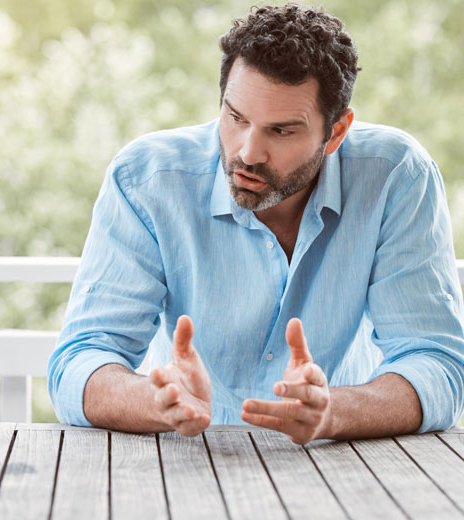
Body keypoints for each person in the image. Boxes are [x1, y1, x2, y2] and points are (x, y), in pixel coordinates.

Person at [48, 3, 464, 444]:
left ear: (336, 132)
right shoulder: (145, 181)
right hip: (183, 468)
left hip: (338, 464)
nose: (248, 152)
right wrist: (156, 402)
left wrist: (333, 412)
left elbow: (436, 365)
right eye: (236, 117)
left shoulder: (396, 176)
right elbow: (80, 362)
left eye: (281, 131)